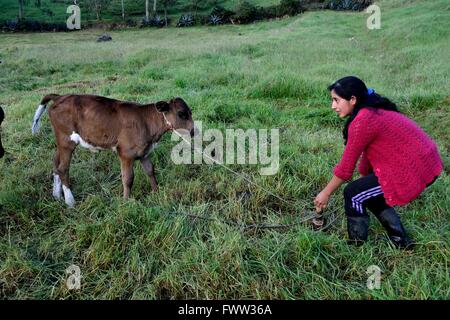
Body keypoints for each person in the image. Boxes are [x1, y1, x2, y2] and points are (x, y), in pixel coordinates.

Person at [314, 76, 443, 249]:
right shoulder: (369, 112)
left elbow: (345, 169)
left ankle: (356, 246)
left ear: (352, 99)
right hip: (424, 161)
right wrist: (364, 180)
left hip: (414, 167)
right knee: (366, 191)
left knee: (353, 193)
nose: (333, 106)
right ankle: (401, 241)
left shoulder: (363, 120)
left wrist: (326, 193)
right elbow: (368, 155)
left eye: (336, 100)